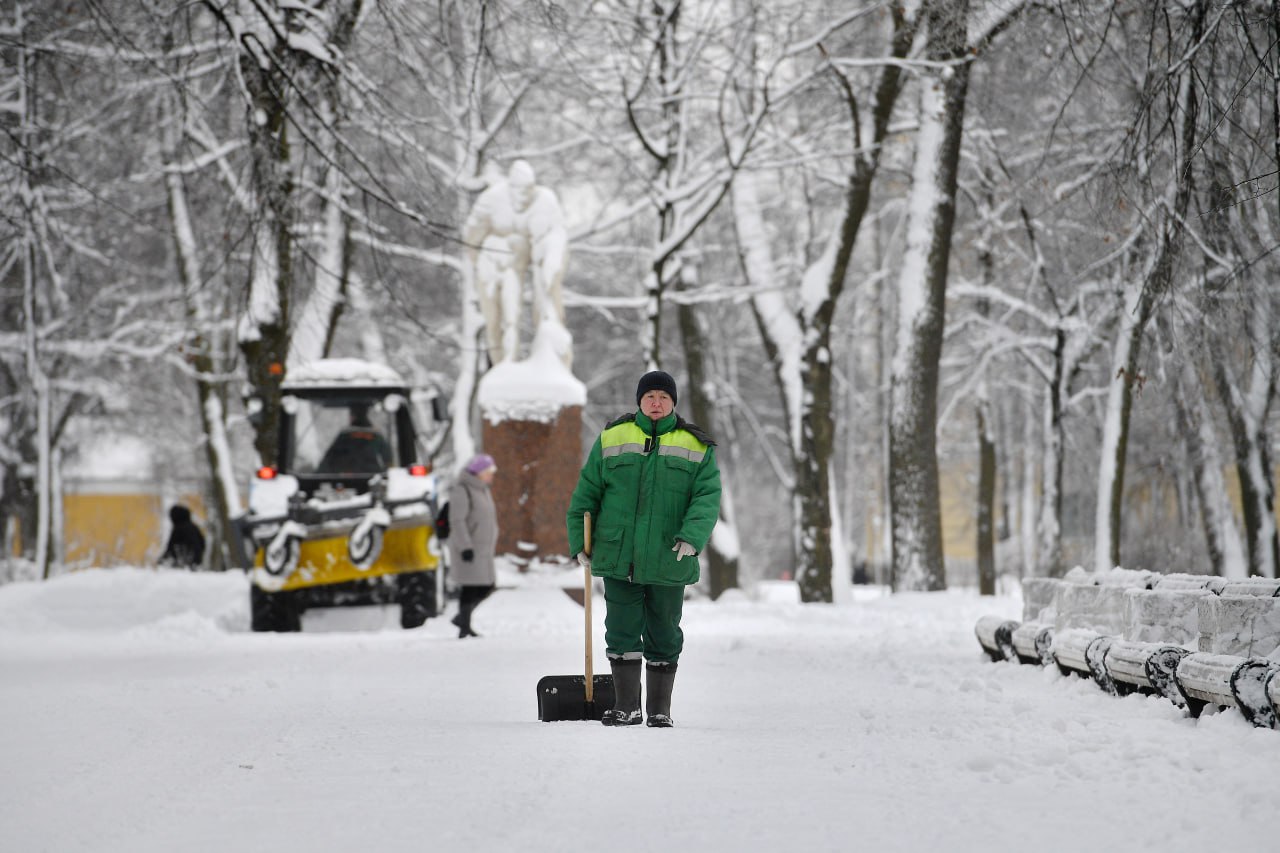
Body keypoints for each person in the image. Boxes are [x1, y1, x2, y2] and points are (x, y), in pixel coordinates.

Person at [566, 370, 721, 727]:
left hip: (670, 555)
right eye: (649, 396)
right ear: (639, 400)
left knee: (665, 632)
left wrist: (692, 537)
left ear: (673, 403)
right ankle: (627, 707)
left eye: (663, 397)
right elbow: (586, 494)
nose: (656, 402)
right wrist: (580, 542)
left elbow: (707, 497)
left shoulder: (695, 445)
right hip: (619, 555)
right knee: (620, 628)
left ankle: (659, 710)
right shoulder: (612, 437)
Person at [448, 453, 500, 638]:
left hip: (483, 548)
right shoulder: (462, 489)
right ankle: (463, 624)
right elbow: (457, 520)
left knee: (486, 586)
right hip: (469, 548)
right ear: (478, 472)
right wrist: (465, 547)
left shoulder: (482, 489)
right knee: (471, 587)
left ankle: (463, 619)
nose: (492, 474)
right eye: (489, 471)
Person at [317, 403, 392, 474]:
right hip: (372, 477)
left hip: (349, 479)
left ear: (353, 415)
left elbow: (329, 458)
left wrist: (316, 477)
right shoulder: (375, 435)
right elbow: (388, 460)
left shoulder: (345, 435)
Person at [160, 504, 206, 570]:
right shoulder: (194, 527)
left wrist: (161, 561)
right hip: (196, 560)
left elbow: (171, 547)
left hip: (183, 562)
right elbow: (202, 543)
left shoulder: (178, 528)